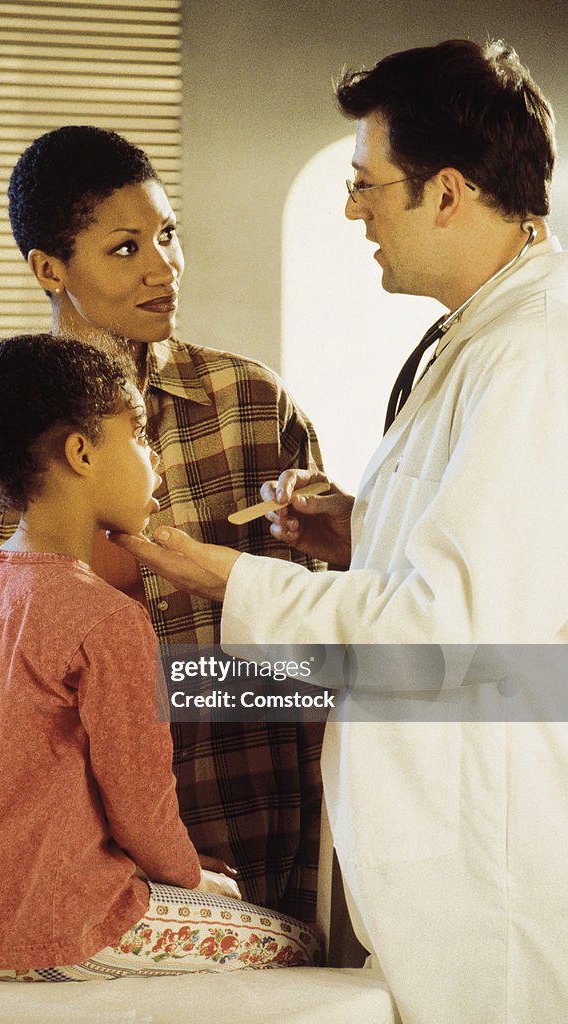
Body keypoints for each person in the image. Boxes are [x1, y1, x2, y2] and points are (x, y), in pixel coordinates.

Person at [113, 40, 568, 1024]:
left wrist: (227, 577)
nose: (351, 210)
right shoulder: (479, 335)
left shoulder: (535, 354)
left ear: (446, 192)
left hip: (483, 871)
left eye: (368, 186)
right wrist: (359, 531)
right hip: (429, 845)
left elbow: (445, 635)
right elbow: (491, 566)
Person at [0, 126, 329, 927]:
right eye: (127, 248)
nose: (164, 266)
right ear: (49, 268)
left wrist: (338, 538)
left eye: (168, 235)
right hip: (75, 876)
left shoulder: (252, 405)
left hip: (254, 814)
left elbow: (332, 642)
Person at [0, 333, 320, 981]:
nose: (156, 463)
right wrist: (191, 879)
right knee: (299, 945)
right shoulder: (106, 617)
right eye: (140, 437)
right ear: (81, 451)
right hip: (57, 927)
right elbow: (141, 801)